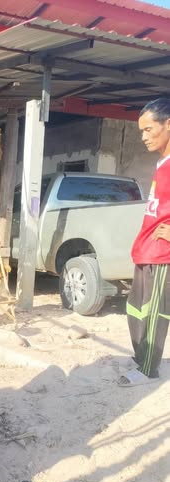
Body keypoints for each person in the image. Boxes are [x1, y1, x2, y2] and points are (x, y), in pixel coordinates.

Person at [119, 97, 170, 387]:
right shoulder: (163, 163)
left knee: (154, 313)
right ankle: (142, 358)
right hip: (147, 249)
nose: (144, 137)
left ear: (168, 124)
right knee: (137, 308)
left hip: (163, 253)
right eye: (141, 131)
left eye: (149, 129)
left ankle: (149, 369)